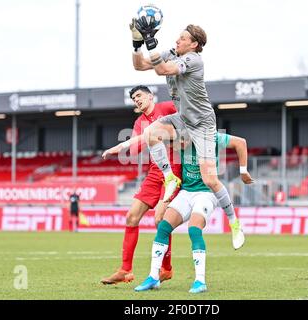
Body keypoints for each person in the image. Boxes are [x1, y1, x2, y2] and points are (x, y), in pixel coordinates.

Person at [131, 16, 246, 249]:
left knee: (210, 179)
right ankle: (170, 178)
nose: (177, 40)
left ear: (194, 44)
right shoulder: (173, 52)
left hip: (202, 123)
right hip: (182, 118)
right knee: (151, 132)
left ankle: (234, 223)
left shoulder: (193, 60)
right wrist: (136, 42)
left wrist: (151, 39)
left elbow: (161, 69)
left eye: (182, 38)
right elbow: (140, 65)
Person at [134, 131, 254, 293]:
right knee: (163, 227)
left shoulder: (211, 138)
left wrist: (243, 170)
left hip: (206, 193)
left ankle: (200, 281)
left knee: (194, 229)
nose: (180, 145)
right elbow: (150, 137)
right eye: (177, 140)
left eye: (183, 140)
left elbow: (241, 142)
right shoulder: (175, 137)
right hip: (186, 192)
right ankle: (153, 277)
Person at [100, 85, 181, 285]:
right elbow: (135, 149)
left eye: (139, 95)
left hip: (175, 168)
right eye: (133, 98)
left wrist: (173, 134)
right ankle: (125, 270)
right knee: (131, 217)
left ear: (150, 96)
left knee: (160, 218)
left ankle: (166, 269)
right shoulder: (140, 122)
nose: (136, 99)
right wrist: (130, 144)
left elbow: (188, 116)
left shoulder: (167, 107)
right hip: (155, 172)